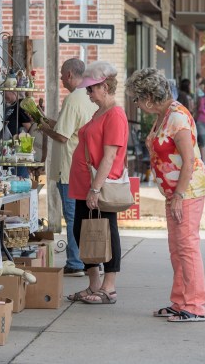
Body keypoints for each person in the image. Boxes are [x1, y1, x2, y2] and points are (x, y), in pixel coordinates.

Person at [125, 68, 205, 322]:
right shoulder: (163, 115)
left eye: (137, 99)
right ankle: (180, 300)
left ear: (149, 96)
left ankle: (195, 306)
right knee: (176, 248)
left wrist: (179, 195)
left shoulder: (177, 117)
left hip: (187, 191)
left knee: (187, 247)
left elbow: (189, 160)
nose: (137, 105)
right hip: (174, 193)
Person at [67, 61, 128, 304]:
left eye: (91, 89)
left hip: (99, 184)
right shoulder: (99, 112)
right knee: (82, 232)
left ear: (104, 86)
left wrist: (95, 189)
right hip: (83, 183)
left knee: (106, 232)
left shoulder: (115, 114)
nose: (88, 94)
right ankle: (93, 284)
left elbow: (110, 156)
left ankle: (109, 287)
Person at [39, 58, 97, 277]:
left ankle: (75, 261)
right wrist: (45, 120)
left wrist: (42, 127)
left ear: (71, 74)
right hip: (86, 167)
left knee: (72, 216)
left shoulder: (73, 99)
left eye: (63, 75)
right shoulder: (90, 97)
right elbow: (68, 127)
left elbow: (62, 136)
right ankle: (89, 259)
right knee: (85, 216)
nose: (62, 79)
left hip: (70, 167)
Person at [3, 90, 32, 178]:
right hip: (7, 150)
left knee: (19, 178)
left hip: (19, 151)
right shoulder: (9, 106)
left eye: (5, 92)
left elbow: (29, 127)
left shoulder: (20, 105)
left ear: (13, 91)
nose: (4, 94)